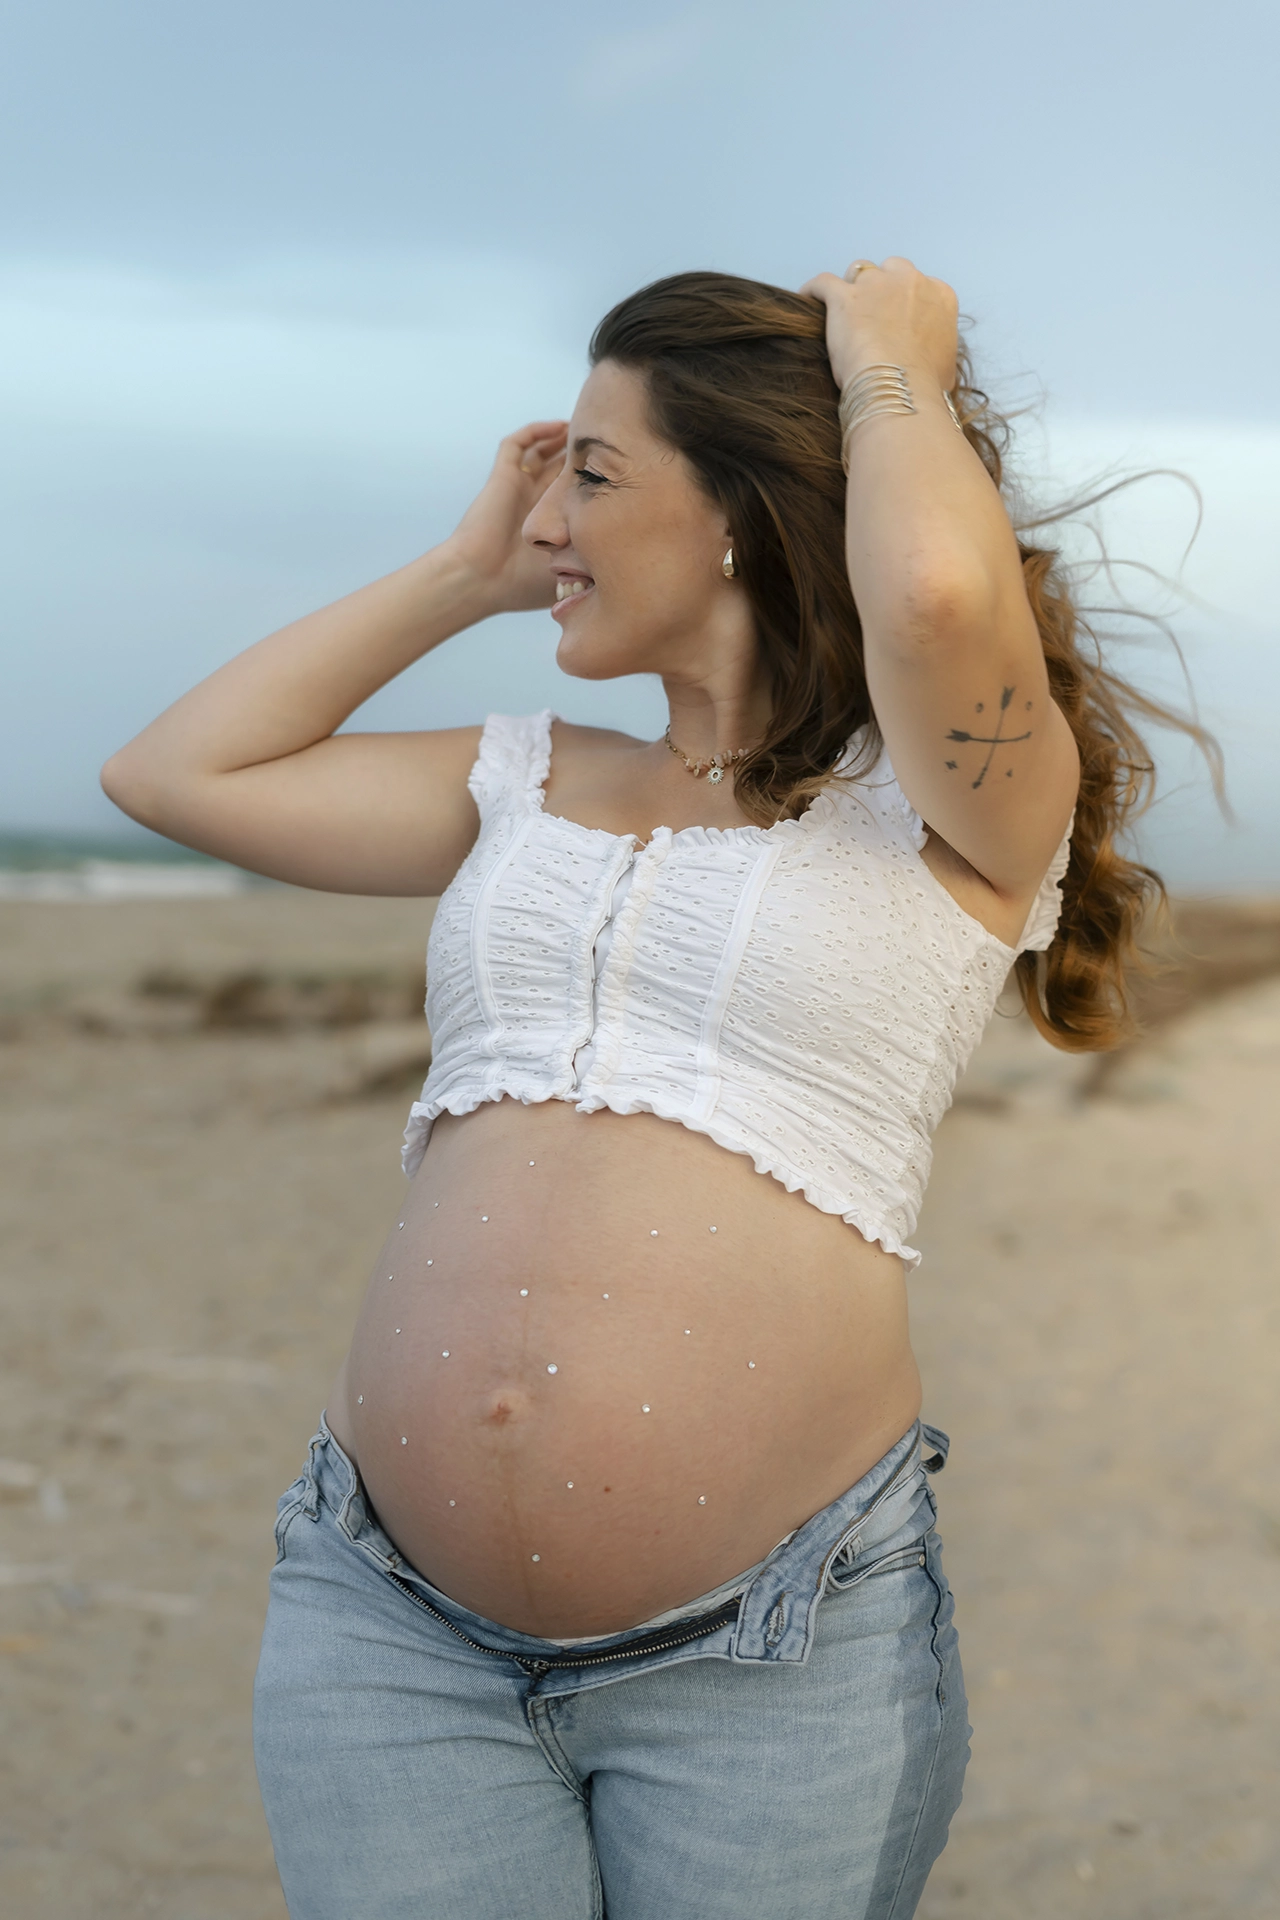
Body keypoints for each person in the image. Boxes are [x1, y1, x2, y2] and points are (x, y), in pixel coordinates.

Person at [101, 259, 1181, 1919]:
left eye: (592, 473)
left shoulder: (961, 809)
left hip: (773, 1655)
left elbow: (942, 606)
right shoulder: (526, 778)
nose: (551, 518)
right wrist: (466, 574)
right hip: (387, 1628)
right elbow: (175, 774)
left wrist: (890, 358)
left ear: (743, 508)